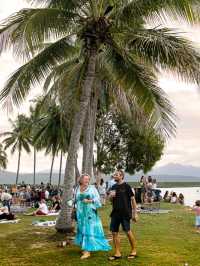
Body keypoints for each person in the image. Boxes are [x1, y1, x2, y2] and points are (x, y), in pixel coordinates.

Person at [74, 174, 111, 259]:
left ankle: (87, 251)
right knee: (82, 229)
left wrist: (89, 201)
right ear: (81, 180)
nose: (87, 181)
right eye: (85, 179)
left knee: (88, 229)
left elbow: (98, 200)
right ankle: (85, 247)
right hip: (80, 213)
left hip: (90, 212)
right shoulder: (77, 188)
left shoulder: (92, 188)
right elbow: (75, 199)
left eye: (88, 179)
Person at [108, 170, 138, 261]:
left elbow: (133, 200)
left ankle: (134, 251)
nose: (114, 176)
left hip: (125, 213)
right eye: (114, 174)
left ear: (121, 176)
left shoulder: (127, 186)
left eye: (116, 175)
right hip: (115, 213)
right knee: (114, 232)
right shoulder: (113, 186)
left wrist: (135, 213)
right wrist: (110, 197)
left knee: (128, 232)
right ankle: (117, 253)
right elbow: (111, 201)